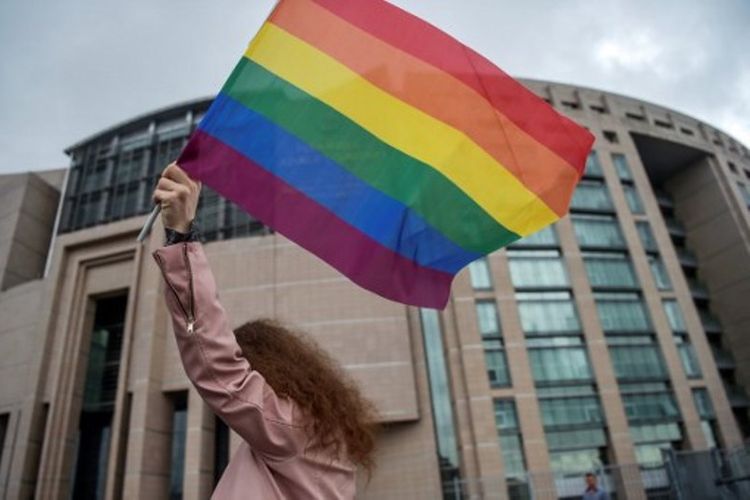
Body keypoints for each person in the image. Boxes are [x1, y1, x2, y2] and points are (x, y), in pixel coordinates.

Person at [151, 163, 377, 499]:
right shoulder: (322, 440)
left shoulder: (290, 430)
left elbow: (221, 369)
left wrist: (180, 237)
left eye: (248, 366)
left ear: (268, 372)